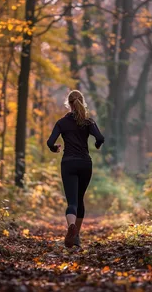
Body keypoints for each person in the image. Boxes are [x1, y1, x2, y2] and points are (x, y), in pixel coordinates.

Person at [47, 90, 104, 248]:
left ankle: (71, 226)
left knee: (72, 202)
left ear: (69, 104)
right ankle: (76, 236)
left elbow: (50, 142)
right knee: (80, 200)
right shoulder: (88, 122)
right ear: (82, 102)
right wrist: (97, 145)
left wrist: (54, 148)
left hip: (69, 164)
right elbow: (100, 138)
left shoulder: (62, 123)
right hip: (85, 163)